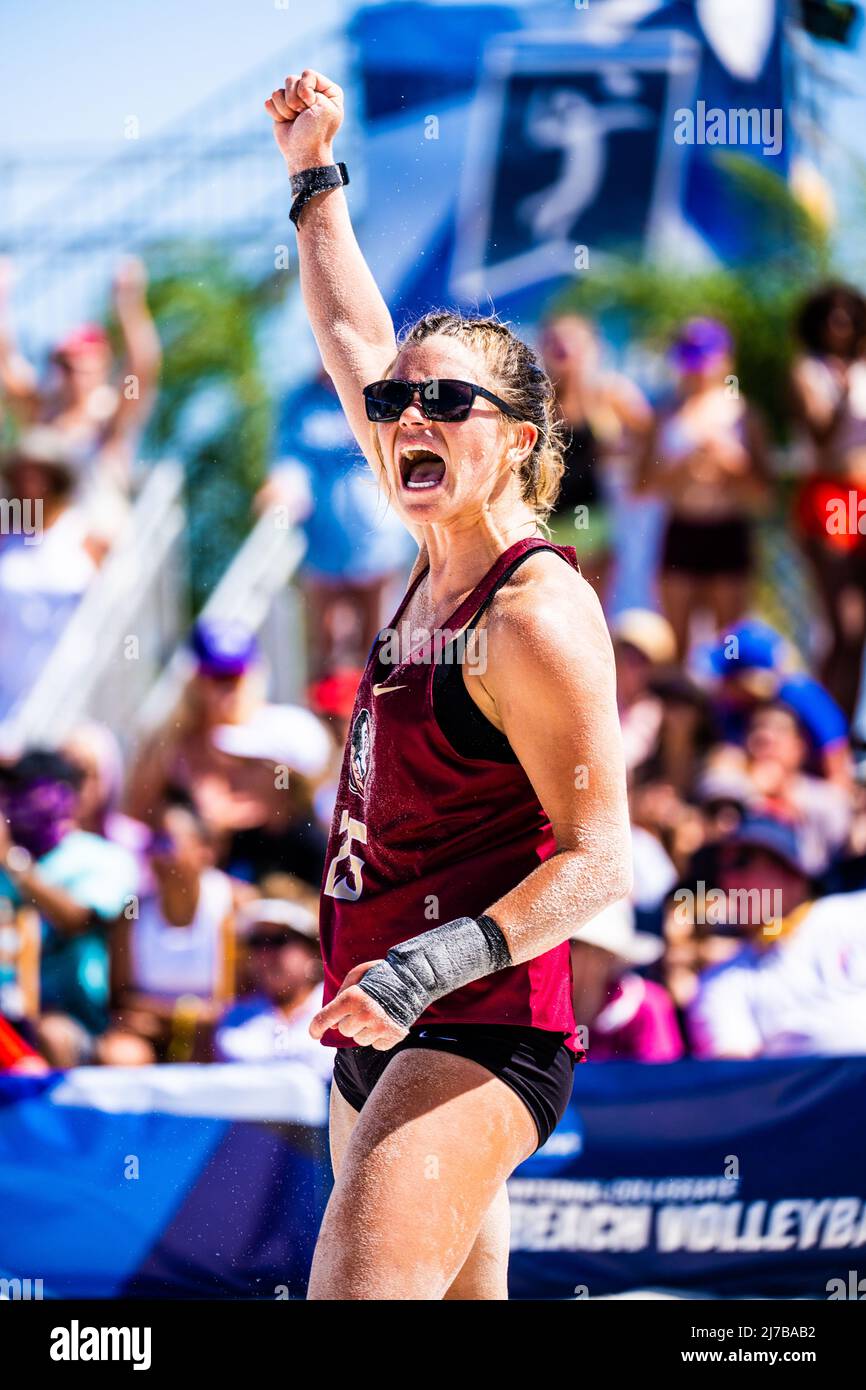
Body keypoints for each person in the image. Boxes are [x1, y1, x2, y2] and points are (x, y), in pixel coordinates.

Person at [265, 68, 631, 1301]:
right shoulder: (428, 545)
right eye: (395, 406)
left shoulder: (532, 610)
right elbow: (349, 336)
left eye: (442, 404)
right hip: (373, 1020)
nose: (403, 418)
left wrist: (427, 969)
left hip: (474, 1022)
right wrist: (315, 178)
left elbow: (600, 860)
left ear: (516, 440)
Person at [257, 365, 413, 679]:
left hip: (379, 541)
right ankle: (332, 721)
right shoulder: (302, 401)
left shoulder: (382, 393)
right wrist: (280, 489)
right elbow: (291, 459)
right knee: (326, 645)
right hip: (324, 541)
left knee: (381, 641)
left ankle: (380, 714)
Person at [637, 318, 771, 659]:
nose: (698, 372)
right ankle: (680, 709)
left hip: (727, 529)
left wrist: (729, 461)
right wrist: (679, 465)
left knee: (729, 645)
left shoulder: (743, 414)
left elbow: (763, 494)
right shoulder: (666, 414)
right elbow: (641, 487)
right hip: (682, 528)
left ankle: (721, 712)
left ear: (725, 362)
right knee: (674, 642)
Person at [0, 750, 138, 1067]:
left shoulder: (104, 859)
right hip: (4, 1021)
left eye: (29, 790)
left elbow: (75, 919)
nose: (17, 803)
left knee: (52, 1034)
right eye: (12, 791)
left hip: (74, 1023)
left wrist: (12, 861)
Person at [687, 815, 866, 1059]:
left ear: (792, 872)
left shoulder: (856, 914)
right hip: (811, 1096)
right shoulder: (719, 982)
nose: (728, 880)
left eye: (743, 862)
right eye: (722, 869)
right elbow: (736, 1078)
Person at [0, 255, 161, 526]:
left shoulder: (112, 415)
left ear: (103, 366)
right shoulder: (42, 410)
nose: (74, 374)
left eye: (83, 364)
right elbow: (6, 366)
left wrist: (129, 306)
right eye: (66, 364)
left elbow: (140, 370)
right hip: (46, 546)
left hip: (97, 551)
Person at [110, 800, 243, 1063]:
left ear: (204, 852)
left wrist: (167, 1016)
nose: (158, 854)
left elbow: (229, 1007)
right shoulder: (132, 913)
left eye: (167, 842)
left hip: (212, 1037)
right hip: (149, 1038)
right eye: (153, 843)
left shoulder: (233, 905)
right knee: (120, 1056)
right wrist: (186, 1017)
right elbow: (122, 1000)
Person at [790, 284, 866, 718]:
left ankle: (849, 730)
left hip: (863, 495)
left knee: (859, 633)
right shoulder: (809, 371)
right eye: (832, 316)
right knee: (842, 624)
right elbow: (822, 435)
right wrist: (845, 390)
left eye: (848, 316)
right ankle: (822, 728)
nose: (841, 325)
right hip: (831, 497)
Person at [538, 313, 651, 597]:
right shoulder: (537, 399)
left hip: (593, 520)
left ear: (591, 347)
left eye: (571, 342)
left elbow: (652, 437)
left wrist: (627, 462)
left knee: (590, 611)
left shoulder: (607, 394)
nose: (563, 350)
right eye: (555, 342)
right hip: (544, 522)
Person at [124, 617, 268, 831]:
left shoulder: (269, 741)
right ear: (197, 679)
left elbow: (286, 813)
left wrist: (223, 818)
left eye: (235, 677)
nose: (227, 690)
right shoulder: (166, 744)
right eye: (218, 677)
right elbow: (135, 817)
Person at [0, 429, 105, 719]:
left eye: (38, 475)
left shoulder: (88, 536)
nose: (29, 485)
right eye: (22, 476)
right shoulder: (6, 538)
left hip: (74, 699)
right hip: (9, 703)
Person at [213, 880, 334, 1081]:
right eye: (257, 942)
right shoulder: (235, 1014)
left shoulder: (340, 1006)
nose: (265, 954)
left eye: (279, 940)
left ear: (313, 949)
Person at [570, 898, 684, 1062]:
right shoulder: (544, 1004)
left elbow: (663, 1079)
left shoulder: (646, 1005)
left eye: (571, 944)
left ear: (599, 954)